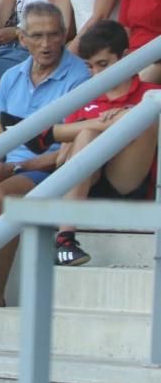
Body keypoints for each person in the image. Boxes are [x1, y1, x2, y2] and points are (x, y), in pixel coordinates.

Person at [0, 3, 90, 305]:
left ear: (64, 35)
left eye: (53, 35)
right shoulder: (11, 77)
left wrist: (11, 169)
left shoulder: (79, 77)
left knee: (1, 196)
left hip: (49, 168)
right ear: (22, 39)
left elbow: (69, 150)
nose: (46, 44)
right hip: (10, 167)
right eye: (37, 36)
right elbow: (0, 136)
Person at [50, 21, 161, 266]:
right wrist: (99, 126)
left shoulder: (151, 91)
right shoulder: (83, 94)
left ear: (126, 57)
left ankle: (52, 133)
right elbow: (61, 160)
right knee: (88, 133)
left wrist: (123, 117)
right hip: (83, 183)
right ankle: (65, 239)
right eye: (90, 66)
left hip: (124, 182)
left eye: (103, 64)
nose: (96, 74)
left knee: (147, 113)